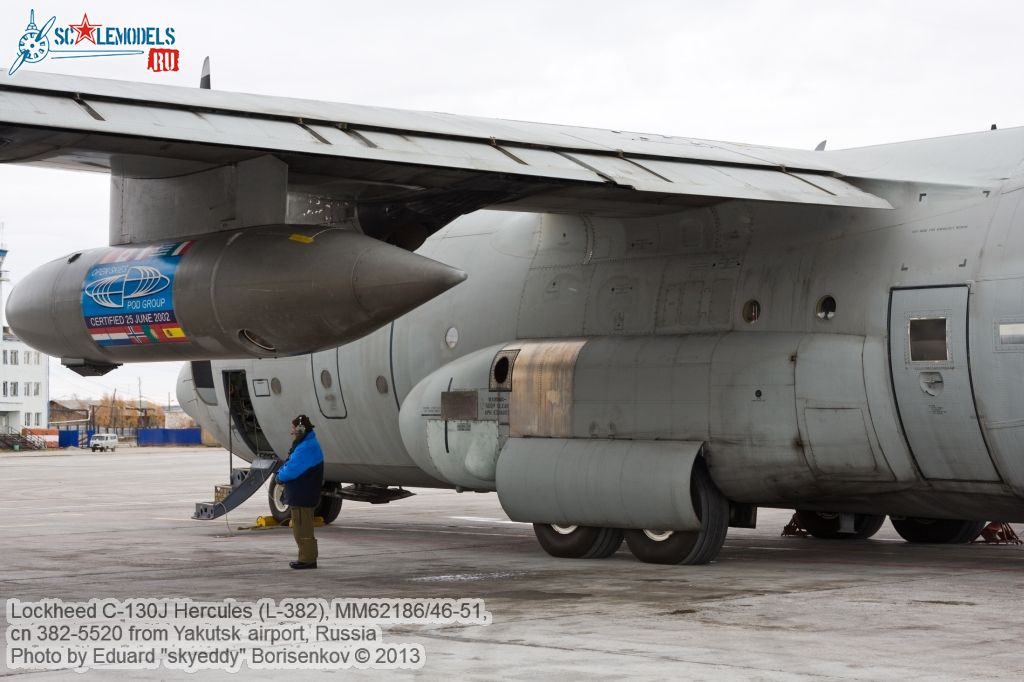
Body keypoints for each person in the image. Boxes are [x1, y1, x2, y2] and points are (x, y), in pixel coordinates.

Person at [276, 414, 324, 569]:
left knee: (302, 529)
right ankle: (307, 557)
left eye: (294, 428)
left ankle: (307, 560)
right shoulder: (306, 444)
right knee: (302, 528)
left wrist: (279, 476)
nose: (292, 431)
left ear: (301, 429)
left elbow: (292, 469)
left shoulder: (306, 447)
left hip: (303, 494)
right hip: (303, 493)